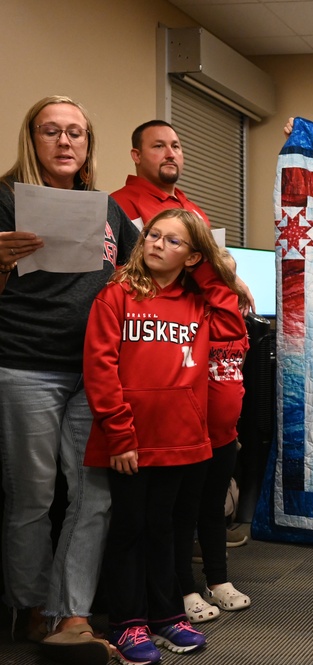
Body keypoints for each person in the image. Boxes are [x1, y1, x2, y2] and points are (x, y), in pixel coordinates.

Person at [0, 95, 141, 665]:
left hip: (94, 371)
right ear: (31, 139)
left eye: (76, 133)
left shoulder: (104, 207)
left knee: (94, 496)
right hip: (24, 365)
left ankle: (72, 612)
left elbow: (139, 273)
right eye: (52, 131)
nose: (65, 142)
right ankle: (31, 608)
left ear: (88, 144)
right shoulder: (4, 199)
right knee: (32, 497)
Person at [83, 208, 245, 664]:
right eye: (153, 235)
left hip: (182, 438)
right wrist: (119, 435)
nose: (156, 244)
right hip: (130, 442)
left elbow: (232, 328)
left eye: (173, 241)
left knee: (166, 528)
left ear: (193, 256)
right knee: (130, 528)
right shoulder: (117, 293)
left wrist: (209, 272)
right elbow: (99, 367)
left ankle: (166, 614)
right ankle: (127, 622)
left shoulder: (199, 302)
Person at [173, 248, 252, 625]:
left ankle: (218, 580)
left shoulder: (235, 320)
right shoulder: (195, 314)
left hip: (224, 436)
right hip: (192, 435)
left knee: (214, 511)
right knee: (184, 513)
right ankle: (184, 587)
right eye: (219, 278)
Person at [112, 120, 255, 315]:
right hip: (149, 318)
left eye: (176, 147)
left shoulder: (195, 211)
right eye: (159, 146)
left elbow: (210, 265)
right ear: (137, 155)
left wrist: (230, 278)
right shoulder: (117, 204)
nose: (170, 154)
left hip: (198, 318)